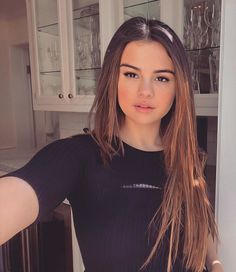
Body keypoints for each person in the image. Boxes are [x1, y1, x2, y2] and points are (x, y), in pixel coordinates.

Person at [0, 17, 224, 272]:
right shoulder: (77, 156)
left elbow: (198, 220)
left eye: (161, 78)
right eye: (131, 74)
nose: (145, 91)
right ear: (112, 79)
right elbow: (17, 195)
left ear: (178, 88)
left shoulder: (188, 156)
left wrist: (214, 263)